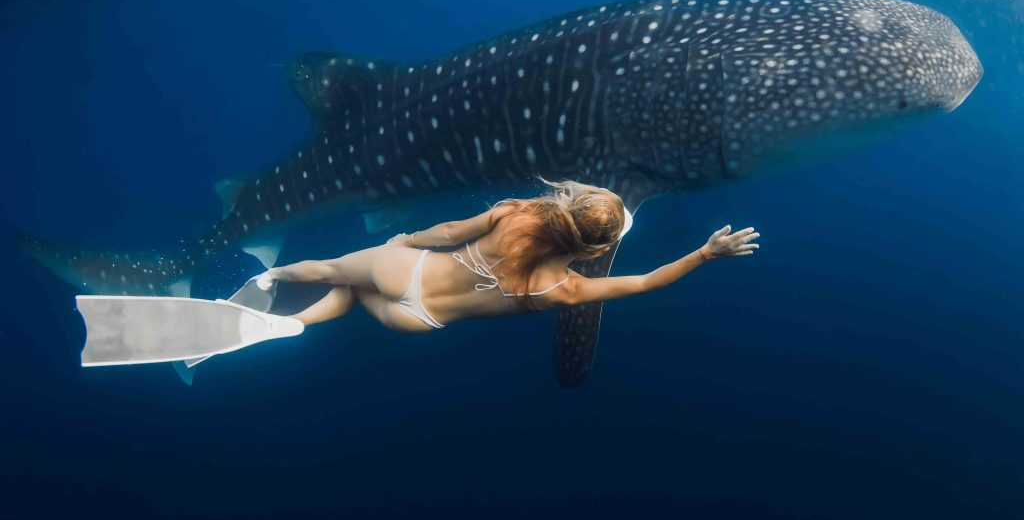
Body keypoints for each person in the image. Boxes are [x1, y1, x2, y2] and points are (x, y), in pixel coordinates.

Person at [257, 179, 759, 332]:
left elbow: (449, 229)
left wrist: (405, 242)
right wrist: (704, 254)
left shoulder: (514, 213)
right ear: (598, 249)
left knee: (334, 271)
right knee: (352, 291)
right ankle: (295, 324)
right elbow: (647, 282)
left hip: (409, 268)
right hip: (419, 320)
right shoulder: (567, 289)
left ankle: (272, 277)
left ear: (569, 203)